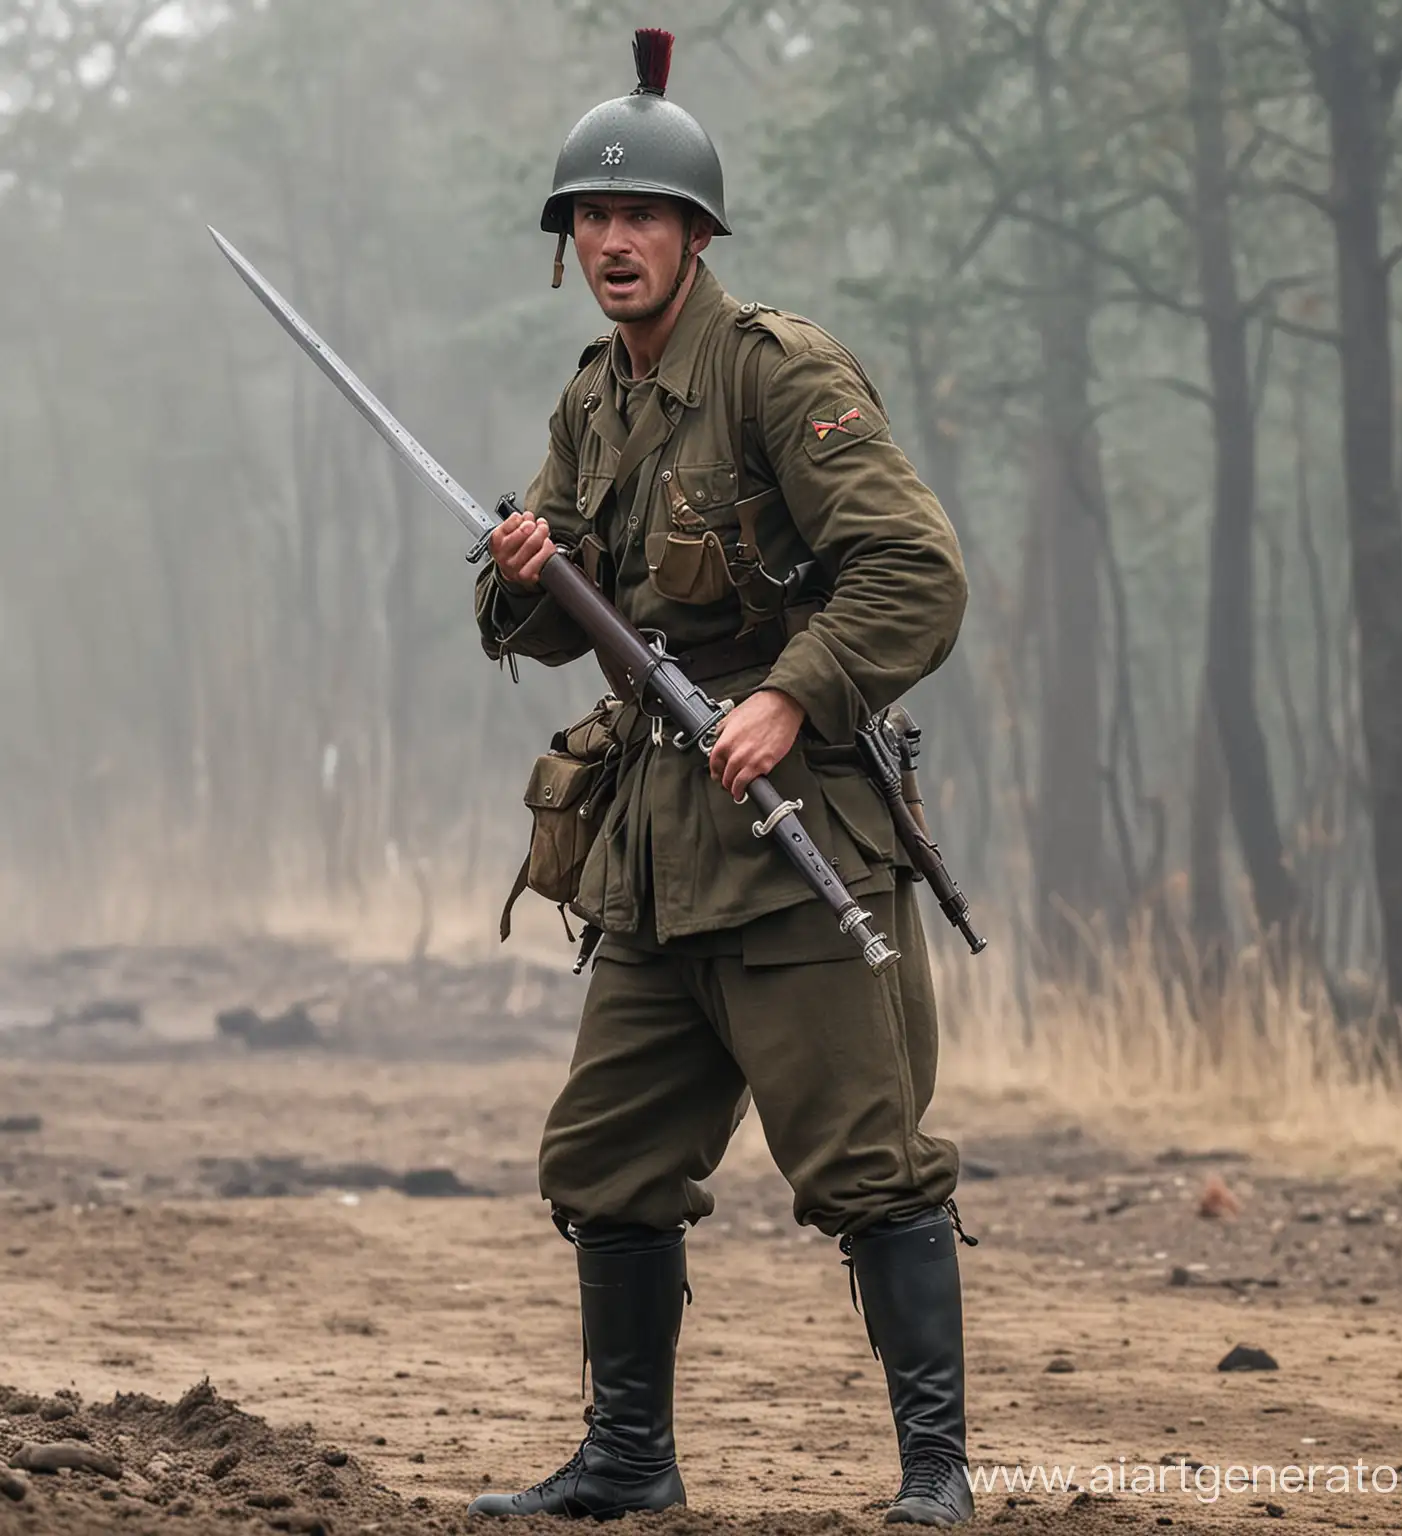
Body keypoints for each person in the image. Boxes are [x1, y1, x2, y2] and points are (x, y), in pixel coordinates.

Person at [469, 27, 974, 1528]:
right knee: (604, 1161)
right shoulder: (595, 402)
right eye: (591, 219)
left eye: (643, 218)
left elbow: (916, 573)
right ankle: (631, 1459)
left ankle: (935, 1474)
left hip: (795, 846)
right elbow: (550, 633)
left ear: (694, 235)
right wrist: (519, 576)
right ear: (571, 245)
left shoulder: (775, 374)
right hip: (651, 858)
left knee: (869, 1170)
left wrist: (789, 692)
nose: (615, 240)